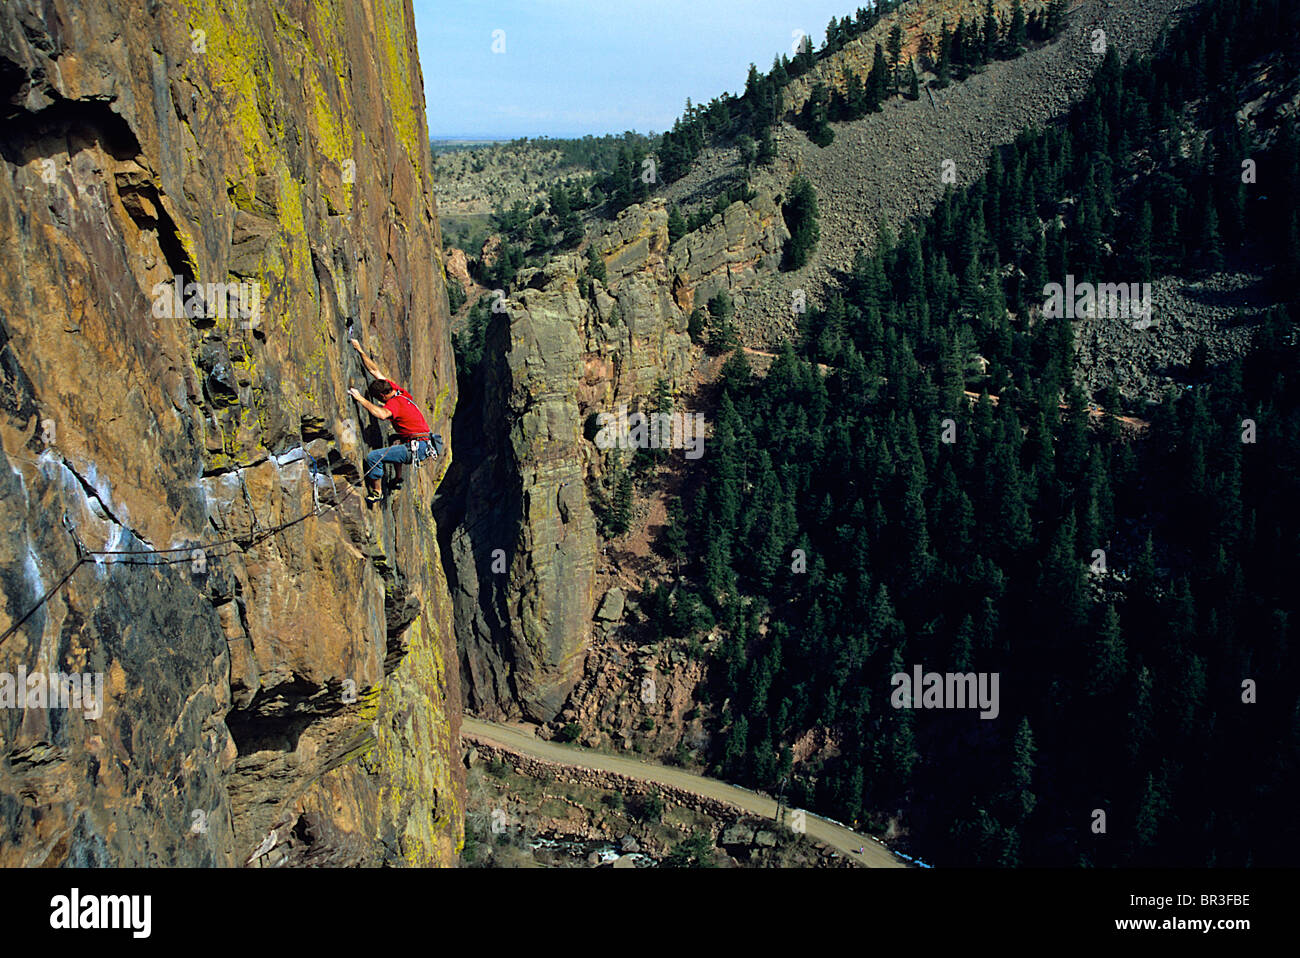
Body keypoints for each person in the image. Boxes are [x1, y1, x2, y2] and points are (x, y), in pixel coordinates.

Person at [346, 338, 439, 503]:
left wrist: (359, 398)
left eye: (379, 400)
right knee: (394, 439)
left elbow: (381, 414)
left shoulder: (394, 404)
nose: (381, 402)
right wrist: (359, 350)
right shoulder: (398, 392)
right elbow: (375, 371)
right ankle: (398, 478)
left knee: (374, 457)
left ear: (382, 397)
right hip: (423, 442)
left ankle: (377, 492)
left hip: (417, 448)